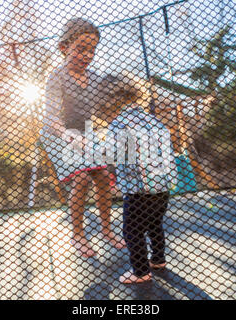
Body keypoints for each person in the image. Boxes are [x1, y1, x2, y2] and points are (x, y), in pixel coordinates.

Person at [40, 18, 125, 258]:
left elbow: (108, 109)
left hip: (85, 132)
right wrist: (70, 137)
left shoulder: (95, 79)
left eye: (92, 50)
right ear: (64, 48)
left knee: (102, 174)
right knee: (82, 176)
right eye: (81, 48)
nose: (88, 55)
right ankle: (77, 234)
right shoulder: (56, 77)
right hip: (58, 133)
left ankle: (107, 230)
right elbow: (51, 117)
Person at [102, 73, 173, 284]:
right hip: (161, 186)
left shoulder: (119, 124)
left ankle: (141, 272)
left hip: (138, 189)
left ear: (110, 102)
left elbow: (113, 153)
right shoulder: (154, 121)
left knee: (131, 230)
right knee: (154, 223)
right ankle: (158, 259)